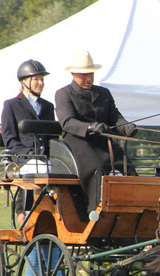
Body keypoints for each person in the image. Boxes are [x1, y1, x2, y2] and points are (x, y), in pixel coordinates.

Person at [54, 51, 138, 214]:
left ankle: (133, 211)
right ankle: (95, 211)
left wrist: (126, 127)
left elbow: (115, 117)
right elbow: (67, 122)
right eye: (84, 75)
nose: (89, 79)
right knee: (98, 168)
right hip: (77, 143)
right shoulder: (64, 94)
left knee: (126, 166)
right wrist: (90, 128)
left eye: (91, 74)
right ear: (73, 74)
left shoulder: (103, 93)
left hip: (103, 143)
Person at [0, 59, 55, 226]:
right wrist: (28, 153)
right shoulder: (11, 105)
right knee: (36, 169)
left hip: (46, 158)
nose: (41, 83)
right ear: (24, 82)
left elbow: (52, 137)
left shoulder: (48, 106)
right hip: (22, 157)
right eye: (36, 79)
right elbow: (9, 138)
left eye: (42, 79)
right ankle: (24, 213)